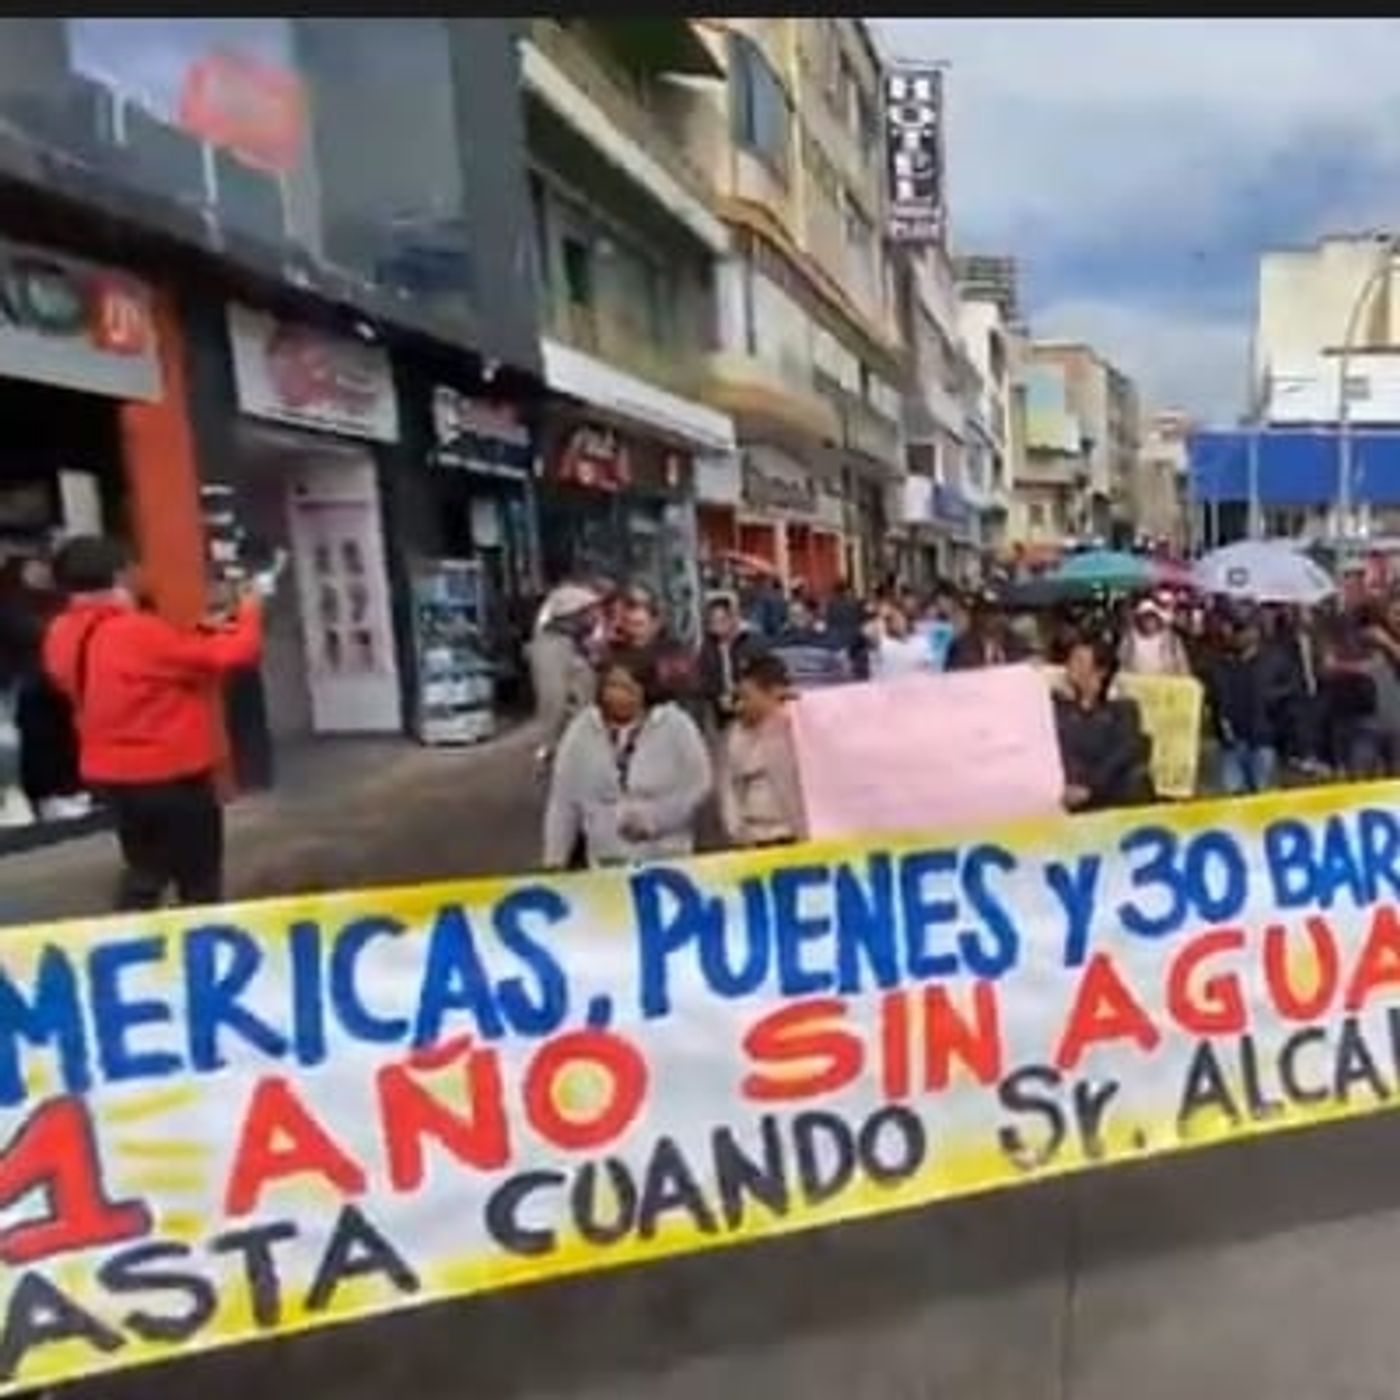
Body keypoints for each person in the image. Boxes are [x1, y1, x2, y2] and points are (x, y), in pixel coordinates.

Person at [43, 535, 262, 910]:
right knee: (199, 879)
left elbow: (148, 667)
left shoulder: (60, 632)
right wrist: (250, 611)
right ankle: (200, 952)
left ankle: (134, 945)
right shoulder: (135, 630)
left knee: (146, 870)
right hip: (171, 774)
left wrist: (198, 632)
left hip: (112, 775)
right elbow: (233, 654)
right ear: (120, 575)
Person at [543, 653, 712, 869]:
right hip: (606, 861)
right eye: (612, 687)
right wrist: (555, 859)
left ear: (646, 690)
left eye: (628, 689)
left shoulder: (676, 725)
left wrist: (655, 820)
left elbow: (699, 785)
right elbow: (563, 800)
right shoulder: (581, 731)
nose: (618, 696)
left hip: (668, 859)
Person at [1054, 635, 1155, 813]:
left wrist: (1089, 788)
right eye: (1070, 659)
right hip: (1064, 793)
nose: (1070, 665)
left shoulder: (1122, 709)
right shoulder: (1058, 707)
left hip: (1106, 796)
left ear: (1100, 671)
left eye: (1079, 660)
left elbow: (1123, 752)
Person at [719, 652, 806, 848]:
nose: (740, 705)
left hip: (794, 835)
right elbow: (729, 790)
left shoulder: (802, 727)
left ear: (773, 692)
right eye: (738, 697)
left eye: (747, 697)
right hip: (753, 837)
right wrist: (737, 833)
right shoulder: (735, 734)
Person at [1205, 609, 1292, 795]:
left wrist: (1271, 705)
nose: (1237, 634)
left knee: (1263, 795)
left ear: (1255, 631)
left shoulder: (1275, 659)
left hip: (1263, 740)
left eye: (1242, 629)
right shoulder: (1220, 662)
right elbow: (1212, 697)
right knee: (1233, 798)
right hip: (1231, 742)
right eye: (1234, 629)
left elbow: (1291, 692)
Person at [607, 581, 698, 709]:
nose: (630, 617)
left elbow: (681, 685)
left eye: (635, 608)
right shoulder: (616, 653)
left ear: (656, 620)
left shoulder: (673, 652)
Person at [697, 593, 766, 736]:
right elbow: (702, 677)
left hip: (751, 709)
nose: (716, 625)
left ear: (732, 618)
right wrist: (717, 696)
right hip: (721, 714)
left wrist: (740, 697)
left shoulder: (751, 642)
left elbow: (761, 675)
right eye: (712, 621)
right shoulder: (708, 647)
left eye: (721, 620)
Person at [769, 595, 853, 690]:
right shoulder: (780, 641)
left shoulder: (831, 639)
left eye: (800, 615)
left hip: (824, 689)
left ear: (811, 614)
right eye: (792, 615)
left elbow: (844, 669)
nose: (795, 619)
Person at [1118, 597, 1191, 677]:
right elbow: (1122, 666)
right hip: (1136, 685)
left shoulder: (1172, 640)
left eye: (1152, 617)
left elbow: (1183, 668)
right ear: (1139, 619)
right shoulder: (1129, 638)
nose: (1149, 621)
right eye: (1145, 617)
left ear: (1158, 619)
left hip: (1165, 685)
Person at [868, 601, 934, 680]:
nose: (898, 622)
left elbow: (929, 668)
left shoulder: (921, 641)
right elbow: (871, 631)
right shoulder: (885, 645)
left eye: (900, 618)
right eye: (892, 620)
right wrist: (881, 616)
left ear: (906, 619)